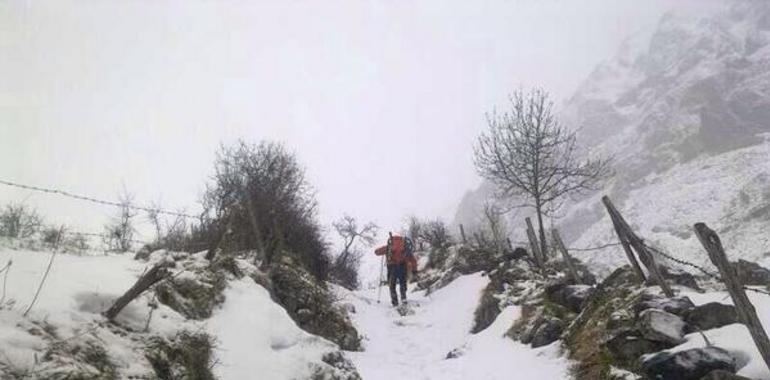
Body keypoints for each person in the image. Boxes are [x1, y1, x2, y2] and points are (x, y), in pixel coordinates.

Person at [375, 233, 417, 307]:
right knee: (402, 283)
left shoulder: (389, 246)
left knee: (392, 285)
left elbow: (376, 252)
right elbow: (413, 260)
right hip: (403, 267)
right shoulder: (405, 247)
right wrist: (414, 270)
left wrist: (385, 249)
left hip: (392, 268)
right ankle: (403, 299)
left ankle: (395, 302)